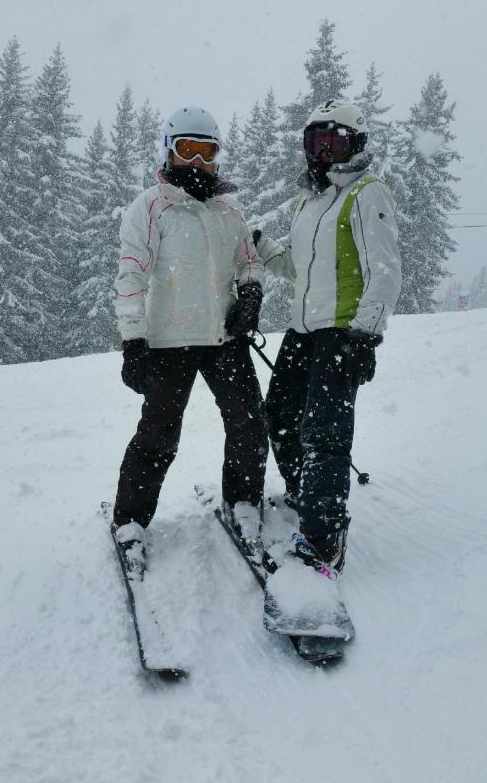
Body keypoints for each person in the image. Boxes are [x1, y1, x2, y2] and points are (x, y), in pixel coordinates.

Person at [113, 105, 268, 576]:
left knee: (248, 424)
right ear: (169, 151)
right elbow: (130, 276)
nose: (198, 162)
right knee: (159, 435)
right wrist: (133, 340)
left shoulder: (228, 211)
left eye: (208, 152)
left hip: (223, 337)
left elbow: (249, 261)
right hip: (167, 342)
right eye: (188, 150)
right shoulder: (150, 207)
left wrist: (251, 293)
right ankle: (131, 521)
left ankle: (243, 502)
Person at [255, 99, 401, 574]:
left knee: (325, 433)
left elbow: (385, 272)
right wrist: (263, 247)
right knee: (279, 411)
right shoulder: (309, 200)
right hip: (303, 330)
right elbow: (300, 270)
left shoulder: (367, 193)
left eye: (333, 142)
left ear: (354, 144)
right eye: (315, 143)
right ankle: (304, 490)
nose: (323, 154)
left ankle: (324, 538)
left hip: (342, 332)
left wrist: (366, 335)